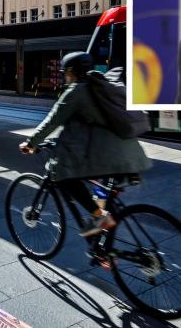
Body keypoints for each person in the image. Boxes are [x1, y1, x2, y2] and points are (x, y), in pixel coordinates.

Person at [19, 52, 152, 237]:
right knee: (101, 193)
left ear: (72, 71)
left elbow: (52, 121)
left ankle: (99, 217)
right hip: (129, 156)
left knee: (63, 177)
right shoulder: (99, 86)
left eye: (65, 72)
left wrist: (30, 142)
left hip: (112, 157)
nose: (65, 76)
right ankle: (106, 248)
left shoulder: (76, 91)